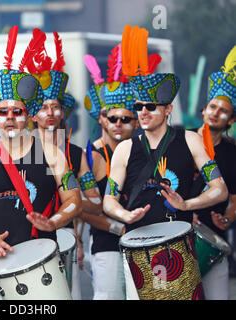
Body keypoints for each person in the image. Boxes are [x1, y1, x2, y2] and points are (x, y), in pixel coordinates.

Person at [0, 26, 81, 300]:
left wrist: (53, 222)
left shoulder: (52, 155)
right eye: (2, 111)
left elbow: (74, 199)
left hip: (44, 271)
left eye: (17, 111)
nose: (9, 117)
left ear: (28, 115)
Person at [102, 25, 228, 299]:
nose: (143, 112)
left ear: (168, 109)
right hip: (137, 246)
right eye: (139, 107)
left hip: (180, 244)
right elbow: (108, 200)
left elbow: (219, 188)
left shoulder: (190, 140)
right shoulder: (125, 148)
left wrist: (188, 204)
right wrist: (125, 215)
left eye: (150, 106)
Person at [27, 28, 101, 300]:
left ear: (63, 111)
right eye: (43, 107)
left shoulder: (75, 154)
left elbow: (96, 202)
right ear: (32, 114)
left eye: (55, 107)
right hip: (25, 242)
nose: (50, 113)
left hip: (66, 240)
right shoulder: (18, 152)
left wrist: (72, 204)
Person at [81, 44, 141, 299]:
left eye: (125, 119)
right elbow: (83, 208)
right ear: (102, 118)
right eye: (112, 118)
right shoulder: (90, 156)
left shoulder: (143, 152)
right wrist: (118, 229)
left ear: (136, 121)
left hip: (142, 243)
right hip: (107, 245)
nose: (118, 124)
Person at [190, 45, 236, 300]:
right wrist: (185, 211)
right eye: (212, 106)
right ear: (204, 110)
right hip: (179, 241)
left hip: (214, 242)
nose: (215, 112)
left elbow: (235, 200)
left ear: (231, 120)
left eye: (223, 110)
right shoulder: (180, 141)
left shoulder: (232, 153)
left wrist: (227, 218)